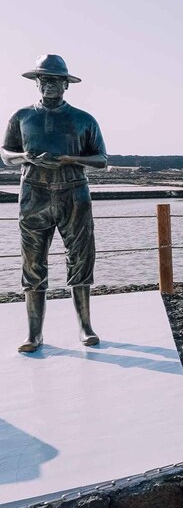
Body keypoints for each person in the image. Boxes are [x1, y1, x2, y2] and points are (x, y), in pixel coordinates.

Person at [1, 54, 107, 353]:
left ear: (66, 85)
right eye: (44, 79)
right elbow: (6, 153)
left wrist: (70, 159)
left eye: (56, 80)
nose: (49, 85)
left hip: (74, 194)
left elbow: (102, 160)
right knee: (32, 262)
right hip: (33, 195)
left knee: (81, 258)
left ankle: (85, 326)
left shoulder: (84, 119)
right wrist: (25, 158)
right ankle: (34, 333)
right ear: (37, 83)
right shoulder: (21, 117)